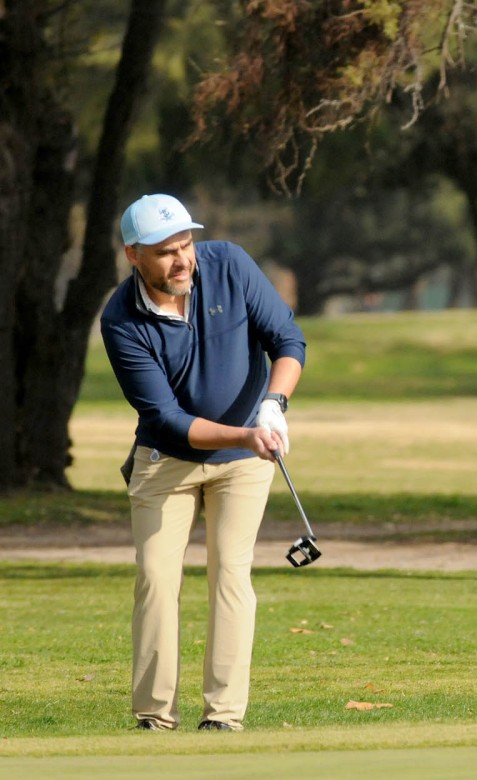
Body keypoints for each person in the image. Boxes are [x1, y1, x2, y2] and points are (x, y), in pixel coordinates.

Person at [100, 194, 306, 732]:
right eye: (165, 251)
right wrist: (248, 433)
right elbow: (167, 419)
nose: (181, 260)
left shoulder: (230, 265)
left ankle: (223, 715)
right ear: (133, 255)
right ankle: (154, 714)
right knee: (155, 577)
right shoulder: (121, 319)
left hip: (244, 459)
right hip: (165, 458)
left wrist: (273, 405)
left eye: (186, 245)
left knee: (230, 573)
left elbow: (287, 340)